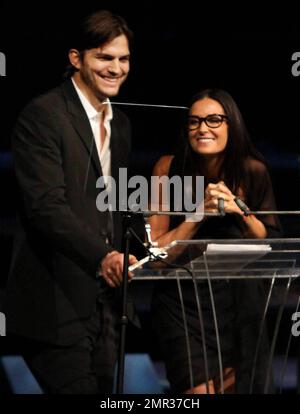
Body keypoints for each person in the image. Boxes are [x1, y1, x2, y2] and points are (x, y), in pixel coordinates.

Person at [2, 10, 138, 394]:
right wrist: (103, 256)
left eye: (123, 59)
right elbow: (46, 207)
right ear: (76, 58)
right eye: (104, 57)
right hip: (54, 305)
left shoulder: (122, 124)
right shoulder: (43, 115)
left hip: (106, 309)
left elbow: (119, 204)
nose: (116, 68)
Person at [149, 88, 281, 394]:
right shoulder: (167, 169)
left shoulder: (252, 171)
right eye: (194, 122)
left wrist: (240, 210)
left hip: (239, 304)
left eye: (213, 120)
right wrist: (197, 215)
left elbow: (268, 240)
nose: (202, 128)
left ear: (231, 125)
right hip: (183, 303)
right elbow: (155, 253)